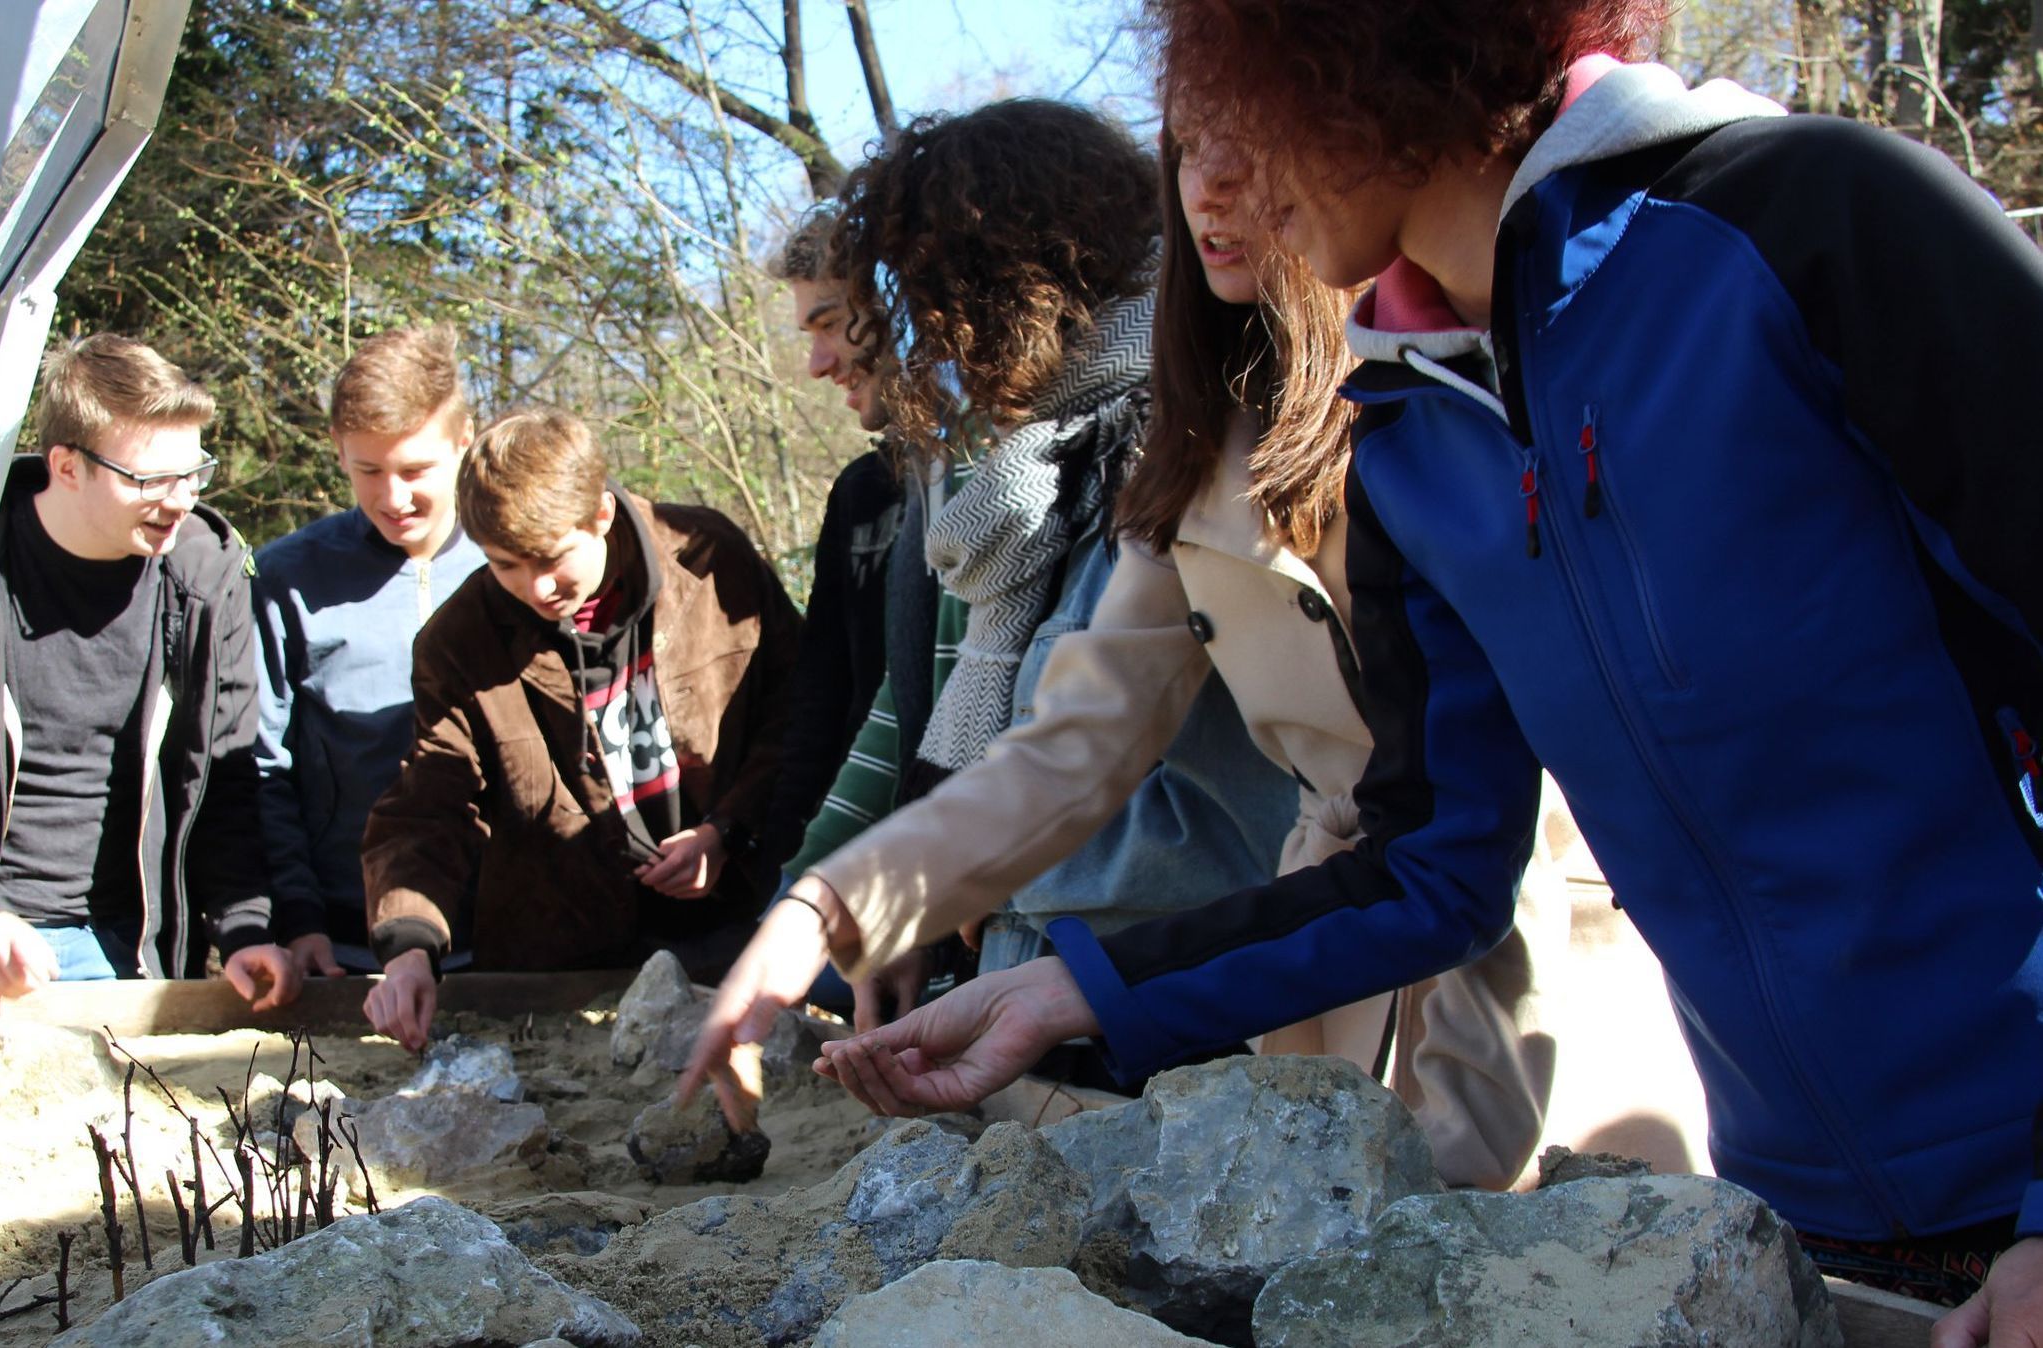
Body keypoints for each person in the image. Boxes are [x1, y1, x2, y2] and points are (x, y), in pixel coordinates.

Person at [801, 1, 2043, 1335]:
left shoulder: (1814, 225)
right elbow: (1430, 864)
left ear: (1369, 57)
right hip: (1793, 1231)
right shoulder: (1402, 430)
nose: (1211, 184)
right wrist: (1064, 994)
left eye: (1244, 115)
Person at [686, 109, 1561, 1191]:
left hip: (1471, 962)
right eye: (1187, 147)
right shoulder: (1191, 436)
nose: (1209, 185)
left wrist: (1073, 985)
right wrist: (824, 906)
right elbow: (1074, 742)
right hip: (1307, 985)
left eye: (1246, 133)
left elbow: (1442, 835)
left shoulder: (1435, 385)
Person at [784, 98, 1300, 1028]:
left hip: (1162, 1022)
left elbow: (1228, 823)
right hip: (1055, 1004)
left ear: (1003, 288)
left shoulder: (1171, 447)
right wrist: (906, 907)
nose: (925, 350)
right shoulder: (1042, 466)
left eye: (926, 312)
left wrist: (950, 885)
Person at [0, 334, 311, 1008]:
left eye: (194, 473)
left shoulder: (205, 575)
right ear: (67, 467)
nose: (181, 499)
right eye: (150, 480)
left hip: (129, 952)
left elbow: (222, 781)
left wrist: (243, 926)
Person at [358, 408, 801, 1050]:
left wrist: (727, 831)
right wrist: (408, 946)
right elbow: (432, 805)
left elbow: (795, 714)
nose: (536, 587)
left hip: (733, 927)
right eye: (506, 564)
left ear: (601, 515)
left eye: (550, 558)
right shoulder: (459, 641)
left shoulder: (712, 562)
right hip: (562, 962)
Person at [253, 323, 487, 976]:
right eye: (368, 470)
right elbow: (263, 765)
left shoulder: (516, 566)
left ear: (463, 439)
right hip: (340, 943)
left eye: (416, 469)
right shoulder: (288, 578)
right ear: (337, 449)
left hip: (503, 935)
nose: (393, 496)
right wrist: (296, 916)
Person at [757, 206, 903, 870]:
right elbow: (823, 694)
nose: (818, 363)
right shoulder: (861, 493)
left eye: (831, 323)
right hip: (849, 858)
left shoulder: (1018, 475)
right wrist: (787, 874)